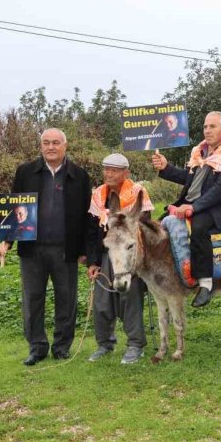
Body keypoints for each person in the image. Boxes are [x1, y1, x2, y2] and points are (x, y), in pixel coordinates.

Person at [0, 128, 93, 366]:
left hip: (65, 249)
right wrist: (7, 240)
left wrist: (87, 251)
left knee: (66, 299)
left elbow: (88, 216)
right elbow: (14, 209)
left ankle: (61, 347)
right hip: (32, 249)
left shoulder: (80, 176)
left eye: (56, 143)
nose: (51, 147)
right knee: (32, 299)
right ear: (40, 146)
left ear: (65, 146)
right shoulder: (25, 172)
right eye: (46, 143)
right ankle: (37, 347)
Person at [151, 111, 221, 308]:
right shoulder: (200, 152)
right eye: (205, 127)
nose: (207, 131)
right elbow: (188, 178)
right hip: (194, 203)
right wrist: (166, 167)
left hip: (217, 207)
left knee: (199, 227)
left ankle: (205, 283)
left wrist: (193, 208)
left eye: (213, 126)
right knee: (159, 226)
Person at [86, 153, 154, 365]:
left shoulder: (137, 193)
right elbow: (91, 230)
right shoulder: (97, 195)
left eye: (114, 170)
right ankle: (104, 343)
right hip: (106, 253)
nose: (109, 173)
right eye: (106, 169)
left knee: (130, 297)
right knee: (102, 300)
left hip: (128, 254)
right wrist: (92, 261)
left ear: (126, 172)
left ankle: (135, 345)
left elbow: (144, 224)